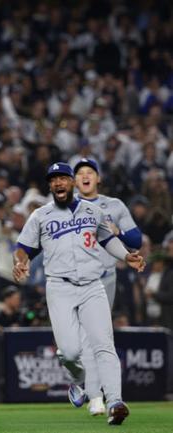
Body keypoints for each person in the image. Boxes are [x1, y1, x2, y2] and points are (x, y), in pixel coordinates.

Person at [12, 162, 145, 426]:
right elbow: (22, 246)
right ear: (50, 186)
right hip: (59, 287)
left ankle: (115, 401)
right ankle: (77, 381)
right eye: (54, 180)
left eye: (63, 178)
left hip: (92, 285)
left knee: (104, 344)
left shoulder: (93, 211)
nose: (58, 183)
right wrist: (20, 261)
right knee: (70, 352)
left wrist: (126, 255)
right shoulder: (40, 215)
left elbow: (108, 239)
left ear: (72, 182)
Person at [73, 158, 143, 416]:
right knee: (80, 342)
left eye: (90, 171)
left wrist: (117, 233)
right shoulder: (69, 207)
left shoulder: (113, 205)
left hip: (106, 276)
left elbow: (137, 239)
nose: (85, 176)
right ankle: (88, 390)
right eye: (80, 173)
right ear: (74, 180)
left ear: (98, 178)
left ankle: (94, 395)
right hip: (78, 278)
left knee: (98, 337)